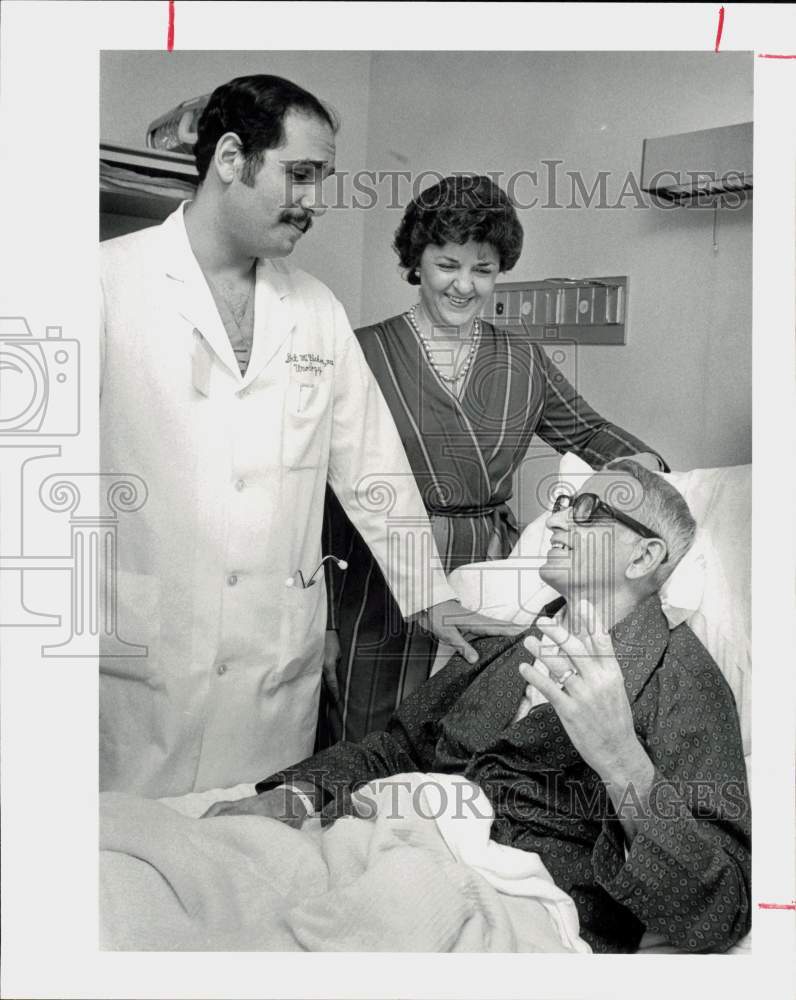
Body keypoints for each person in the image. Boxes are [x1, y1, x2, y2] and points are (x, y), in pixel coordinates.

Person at [99, 76, 517, 797]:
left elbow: (372, 468)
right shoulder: (100, 283)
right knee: (124, 878)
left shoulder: (315, 310)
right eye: (301, 174)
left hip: (270, 673)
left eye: (321, 178)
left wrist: (433, 597)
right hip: (138, 670)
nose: (316, 200)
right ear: (231, 157)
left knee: (258, 872)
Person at [207, 461, 751, 955]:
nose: (558, 523)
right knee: (181, 863)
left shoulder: (683, 683)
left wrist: (621, 759)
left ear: (644, 554)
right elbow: (395, 749)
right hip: (388, 844)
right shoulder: (509, 645)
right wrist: (293, 798)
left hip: (509, 904)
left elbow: (721, 906)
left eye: (586, 512)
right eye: (562, 506)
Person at [320, 175, 668, 747]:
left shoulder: (522, 359)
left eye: (481, 269)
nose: (464, 285)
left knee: (467, 726)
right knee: (373, 734)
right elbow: (321, 497)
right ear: (416, 261)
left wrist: (653, 472)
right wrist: (327, 622)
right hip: (384, 571)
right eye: (447, 265)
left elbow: (590, 432)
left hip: (487, 570)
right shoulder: (360, 351)